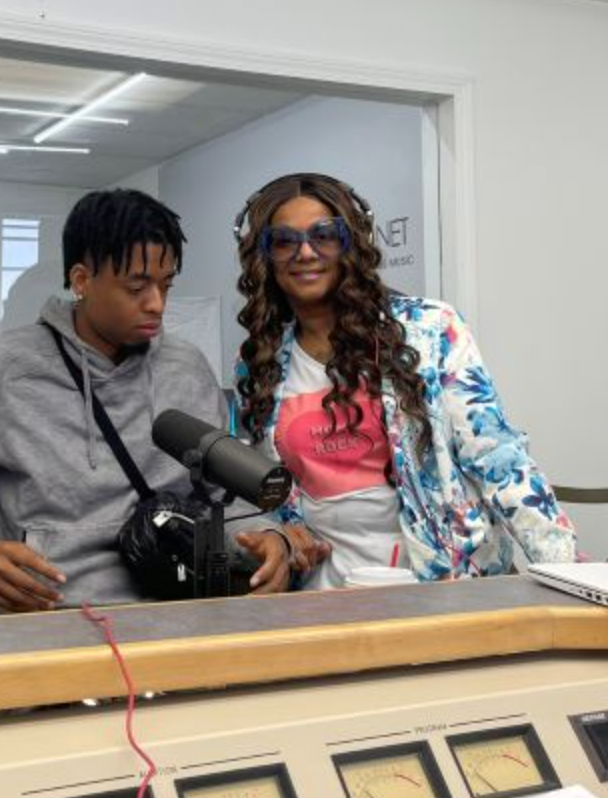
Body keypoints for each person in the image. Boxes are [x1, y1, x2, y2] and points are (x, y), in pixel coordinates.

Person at [0, 189, 291, 611]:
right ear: (81, 281)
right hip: (42, 620)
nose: (157, 304)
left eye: (166, 285)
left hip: (174, 610)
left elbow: (223, 495)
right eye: (137, 286)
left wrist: (267, 537)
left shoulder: (185, 368)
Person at [231, 172, 576, 586]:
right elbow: (262, 488)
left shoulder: (430, 330)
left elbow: (497, 457)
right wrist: (280, 536)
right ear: (264, 256)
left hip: (441, 585)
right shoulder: (259, 363)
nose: (306, 252)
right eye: (284, 241)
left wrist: (567, 572)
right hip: (323, 591)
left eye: (325, 235)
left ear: (351, 243)